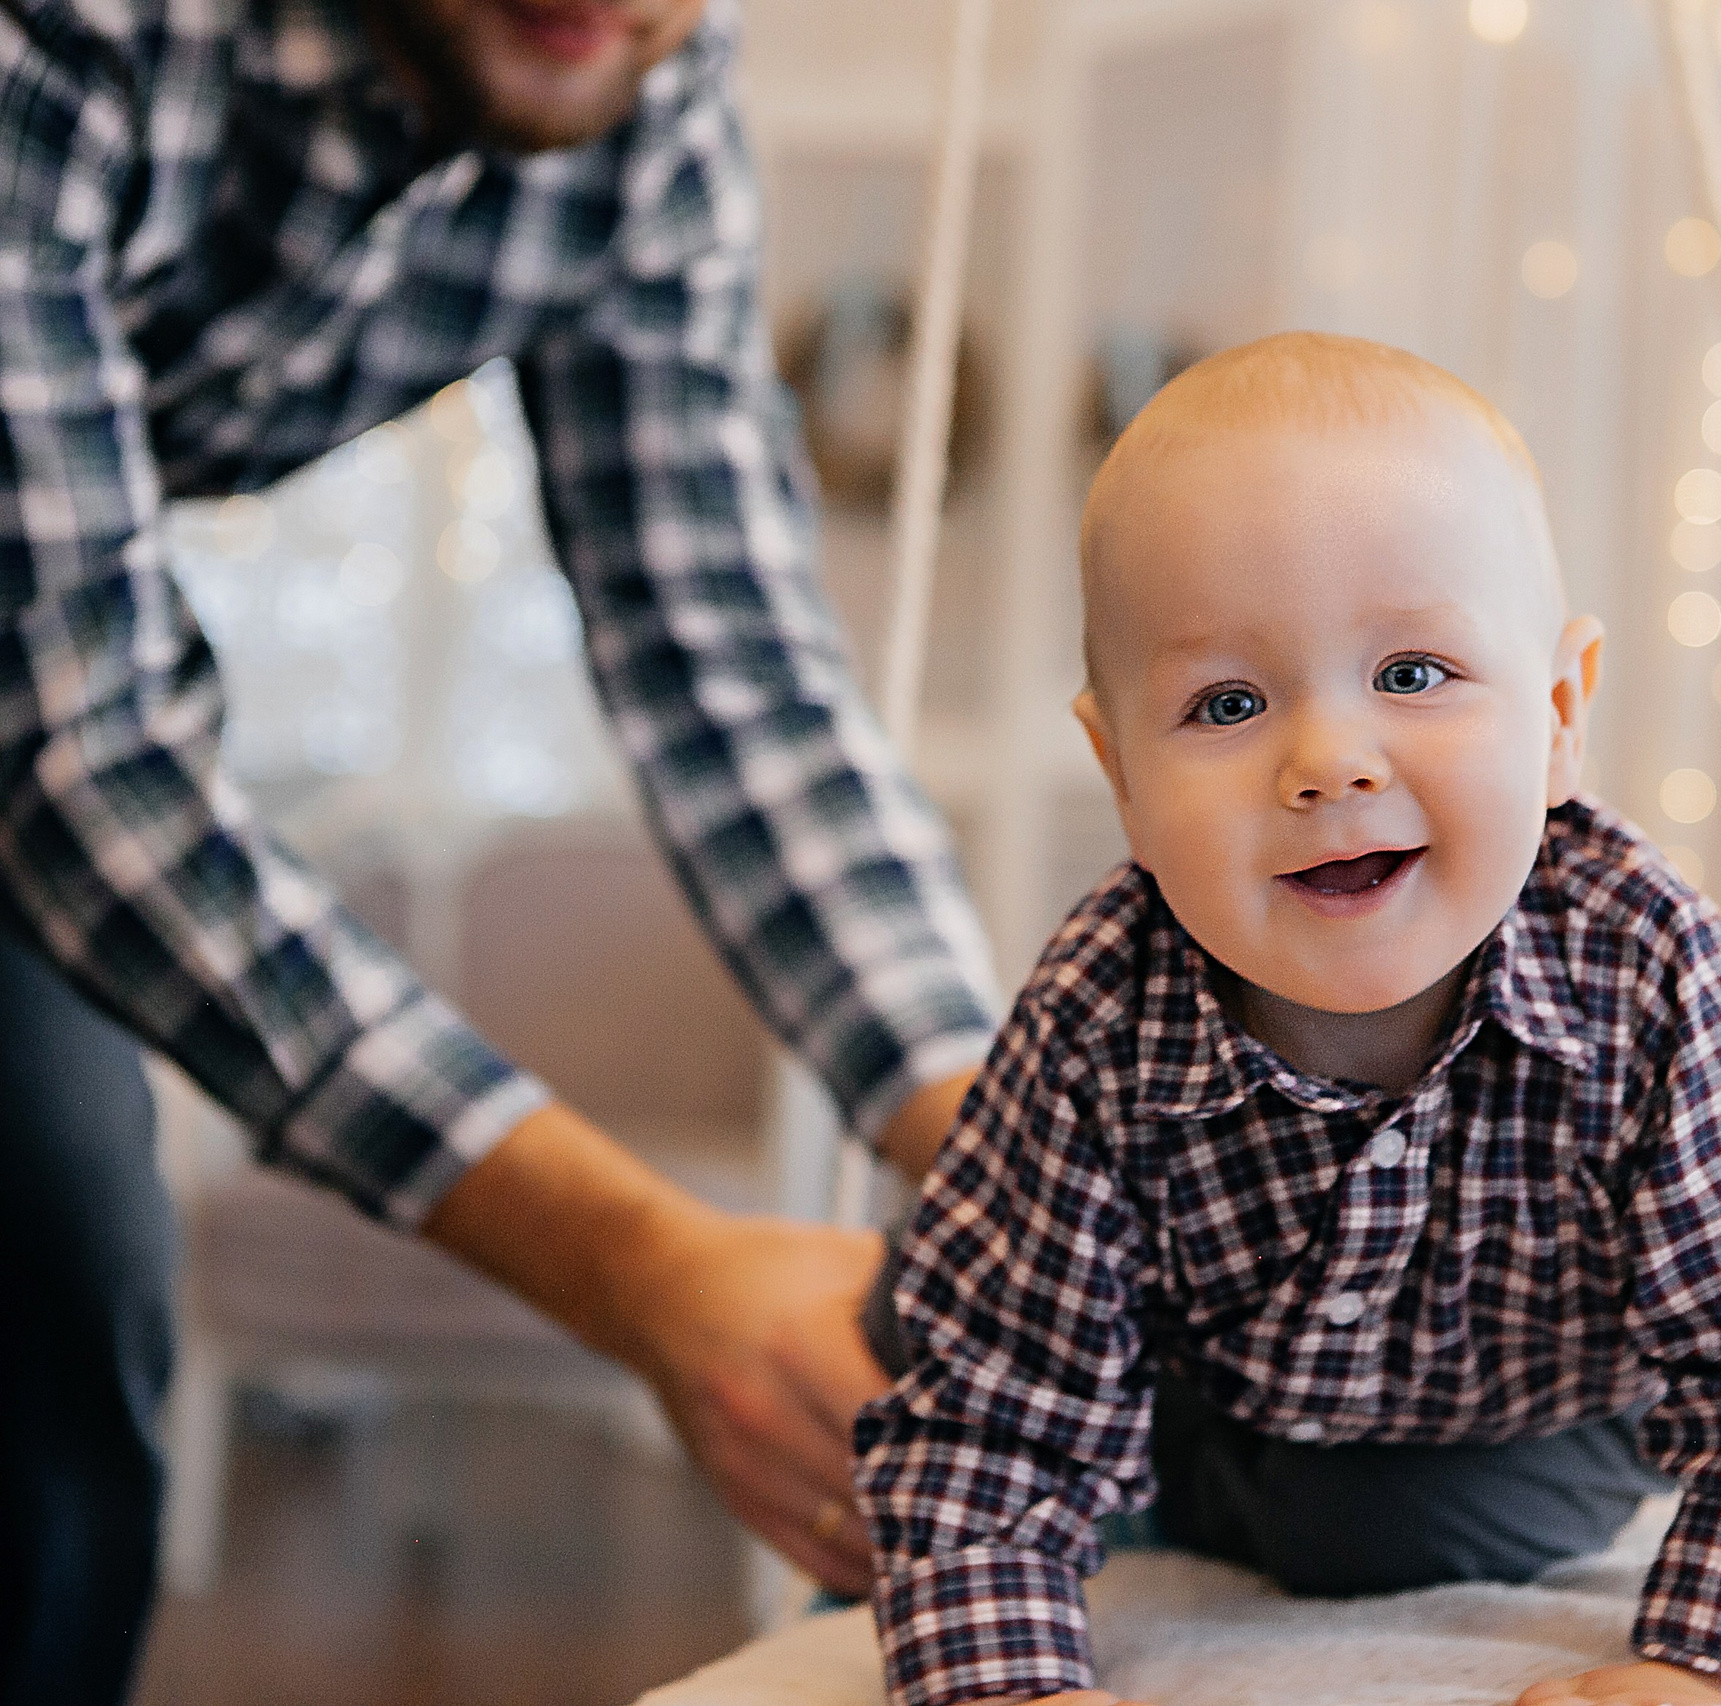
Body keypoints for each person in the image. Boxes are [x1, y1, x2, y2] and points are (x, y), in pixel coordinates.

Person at [0, 0, 990, 1698]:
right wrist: (646, 1266)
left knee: (58, 1307)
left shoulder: (639, 76)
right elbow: (81, 754)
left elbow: (728, 657)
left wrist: (1012, 1145)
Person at [852, 332, 1721, 1706]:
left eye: (1413, 673)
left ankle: (1187, 1500)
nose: (1330, 761)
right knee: (924, 1312)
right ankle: (1086, 1500)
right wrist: (999, 1680)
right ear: (1120, 770)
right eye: (1227, 703)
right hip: (1195, 1383)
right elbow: (993, 1410)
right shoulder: (1100, 1008)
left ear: (1559, 713)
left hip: (1517, 1420)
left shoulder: (1646, 971)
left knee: (1372, 1533)